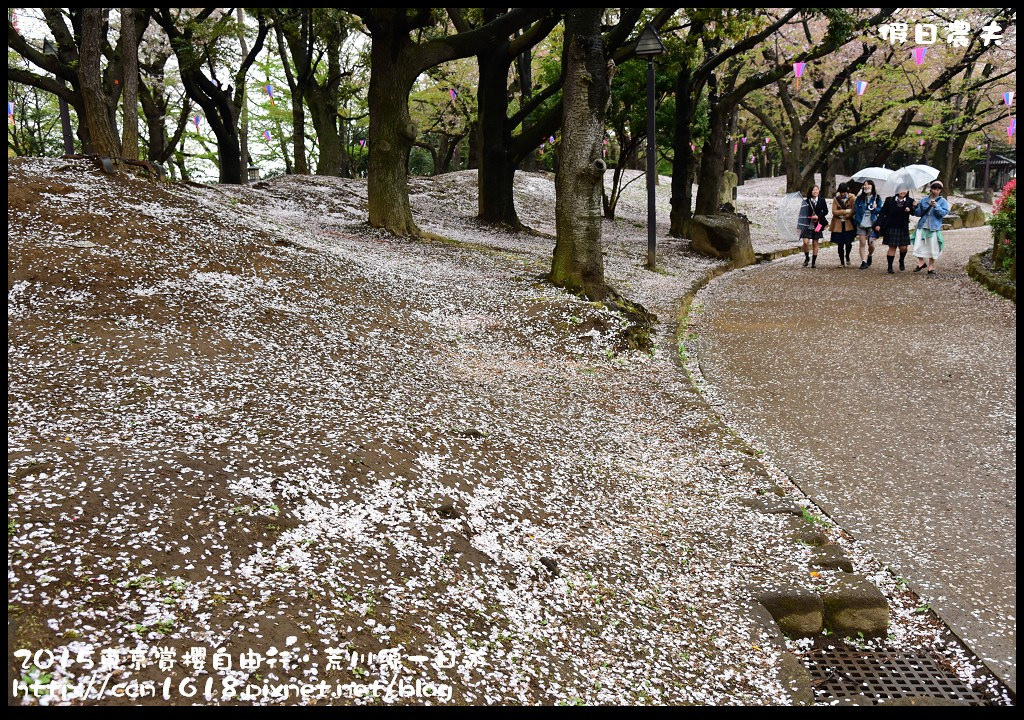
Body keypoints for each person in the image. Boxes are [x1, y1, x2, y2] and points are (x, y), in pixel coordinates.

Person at [874, 188, 916, 274]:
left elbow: (914, 213)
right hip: (891, 227)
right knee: (892, 247)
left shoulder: (910, 201)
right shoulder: (889, 200)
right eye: (901, 189)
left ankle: (901, 260)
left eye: (905, 190)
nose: (903, 192)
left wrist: (911, 208)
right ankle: (890, 267)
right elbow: (882, 213)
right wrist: (878, 224)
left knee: (903, 248)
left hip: (903, 227)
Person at [912, 181, 950, 275]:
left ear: (940, 190)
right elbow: (918, 214)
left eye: (938, 189)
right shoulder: (924, 200)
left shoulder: (942, 201)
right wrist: (915, 207)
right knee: (918, 245)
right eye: (934, 188)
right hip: (922, 226)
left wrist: (936, 206)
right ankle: (921, 262)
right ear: (931, 189)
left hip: (933, 227)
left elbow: (943, 214)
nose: (935, 191)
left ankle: (930, 267)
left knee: (933, 247)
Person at [854, 180, 883, 269]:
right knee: (862, 243)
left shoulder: (877, 198)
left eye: (868, 184)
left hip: (872, 223)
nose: (866, 186)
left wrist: (875, 208)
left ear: (872, 186)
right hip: (861, 223)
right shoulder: (859, 198)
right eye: (865, 185)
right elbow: (856, 209)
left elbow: (880, 211)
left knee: (871, 243)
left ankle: (870, 255)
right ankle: (863, 261)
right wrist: (858, 220)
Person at [797, 185, 828, 268]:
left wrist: (818, 216)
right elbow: (801, 214)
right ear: (810, 191)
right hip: (807, 224)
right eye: (814, 190)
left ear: (819, 191)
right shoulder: (805, 202)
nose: (815, 191)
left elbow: (826, 211)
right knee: (805, 242)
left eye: (817, 190)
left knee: (815, 243)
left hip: (817, 224)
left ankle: (814, 261)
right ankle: (807, 257)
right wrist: (799, 227)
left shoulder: (822, 200)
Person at [830, 182, 856, 267]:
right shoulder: (836, 199)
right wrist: (845, 211)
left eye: (844, 192)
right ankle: (842, 262)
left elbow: (853, 210)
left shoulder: (852, 198)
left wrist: (847, 215)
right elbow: (834, 211)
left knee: (848, 243)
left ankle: (847, 256)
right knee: (840, 243)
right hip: (838, 224)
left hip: (848, 223)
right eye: (841, 192)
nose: (843, 194)